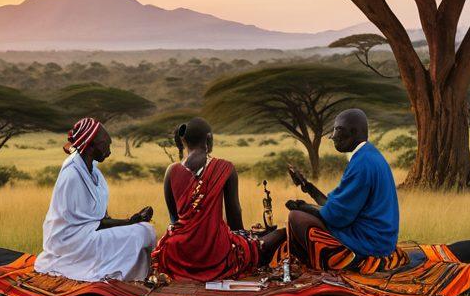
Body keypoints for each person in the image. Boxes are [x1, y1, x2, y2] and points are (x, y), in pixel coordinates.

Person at [151, 118, 286, 281]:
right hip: (216, 250)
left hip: (177, 252)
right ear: (208, 138)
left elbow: (174, 220)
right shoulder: (225, 168)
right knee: (280, 234)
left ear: (184, 141)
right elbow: (234, 219)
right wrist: (246, 241)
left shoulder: (171, 171)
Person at [33, 117, 156, 282]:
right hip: (71, 243)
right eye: (105, 144)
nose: (109, 150)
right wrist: (128, 222)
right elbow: (89, 224)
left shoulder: (94, 172)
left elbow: (99, 219)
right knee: (139, 234)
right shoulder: (71, 175)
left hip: (89, 234)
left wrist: (133, 220)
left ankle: (132, 273)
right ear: (90, 147)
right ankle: (119, 274)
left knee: (146, 229)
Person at [284, 108, 405, 273]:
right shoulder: (368, 155)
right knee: (300, 218)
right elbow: (338, 207)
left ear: (354, 132)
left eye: (338, 130)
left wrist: (305, 208)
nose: (334, 136)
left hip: (370, 242)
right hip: (378, 238)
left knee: (296, 217)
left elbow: (337, 216)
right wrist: (309, 188)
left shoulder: (362, 164)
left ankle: (346, 262)